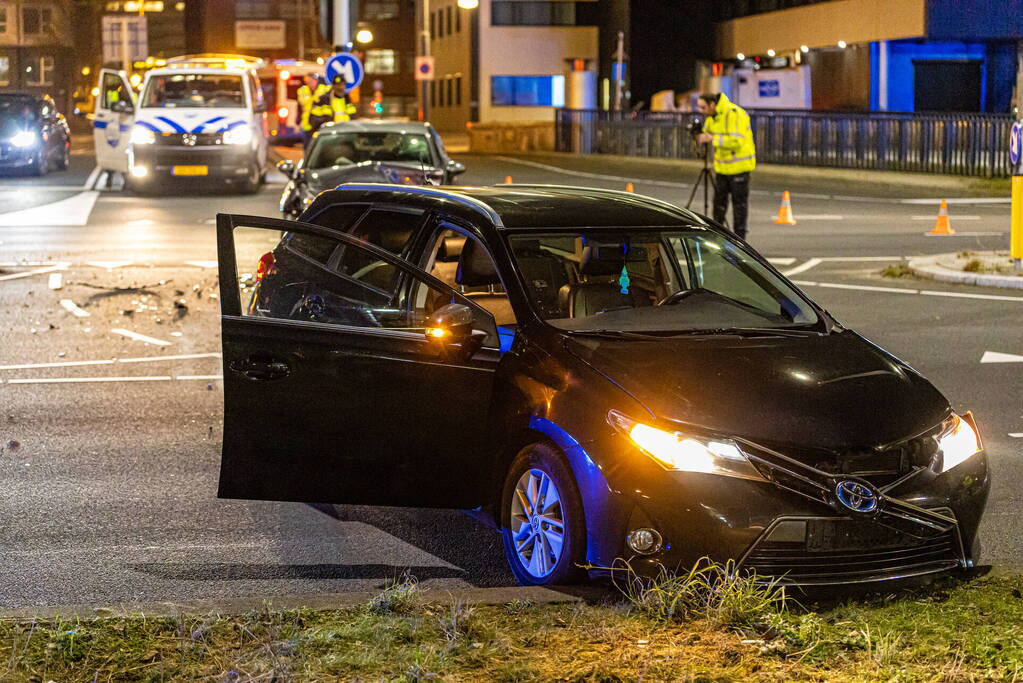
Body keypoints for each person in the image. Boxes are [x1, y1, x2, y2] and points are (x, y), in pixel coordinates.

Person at [696, 92, 756, 240]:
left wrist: (712, 139)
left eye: (703, 107)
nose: (701, 111)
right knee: (718, 205)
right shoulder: (712, 117)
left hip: (739, 168)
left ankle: (740, 241)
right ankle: (716, 237)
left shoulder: (734, 114)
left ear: (712, 104)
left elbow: (737, 141)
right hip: (722, 169)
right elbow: (706, 133)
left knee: (739, 207)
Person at [296, 73, 321, 149]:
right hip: (307, 125)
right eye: (307, 82)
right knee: (307, 147)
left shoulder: (322, 89)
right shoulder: (303, 90)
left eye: (310, 81)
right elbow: (303, 102)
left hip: (319, 124)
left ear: (316, 80)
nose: (309, 83)